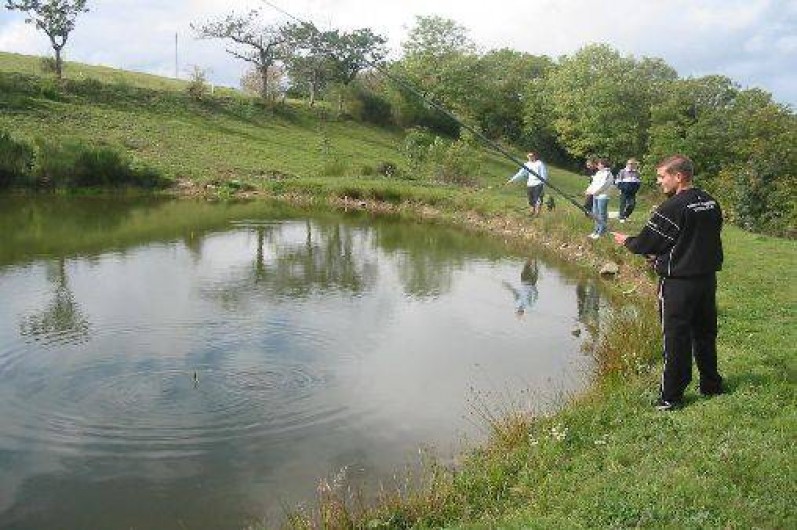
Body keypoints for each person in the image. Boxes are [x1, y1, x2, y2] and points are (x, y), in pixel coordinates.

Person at [611, 154, 724, 411]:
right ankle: (711, 385)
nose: (659, 182)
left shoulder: (671, 207)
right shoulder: (710, 201)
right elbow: (696, 238)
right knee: (705, 334)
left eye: (662, 176)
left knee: (676, 338)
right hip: (706, 281)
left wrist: (627, 241)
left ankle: (670, 397)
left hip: (678, 285)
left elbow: (647, 243)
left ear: (679, 176)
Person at [505, 151, 548, 216]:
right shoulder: (527, 164)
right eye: (528, 156)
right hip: (530, 184)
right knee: (530, 199)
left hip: (538, 184)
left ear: (535, 156)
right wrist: (512, 180)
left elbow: (544, 175)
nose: (530, 157)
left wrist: (543, 185)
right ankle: (531, 212)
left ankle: (537, 213)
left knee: (537, 199)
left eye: (531, 156)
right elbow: (520, 173)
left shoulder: (540, 164)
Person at [584, 158, 614, 239]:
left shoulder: (608, 174)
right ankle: (595, 231)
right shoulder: (598, 173)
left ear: (603, 165)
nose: (597, 165)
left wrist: (595, 192)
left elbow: (604, 185)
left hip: (603, 197)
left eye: (599, 164)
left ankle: (601, 232)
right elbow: (593, 183)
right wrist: (588, 190)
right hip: (596, 196)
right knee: (595, 213)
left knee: (602, 215)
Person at [615, 158, 642, 222]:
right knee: (623, 204)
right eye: (630, 164)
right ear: (627, 164)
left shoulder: (637, 172)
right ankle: (621, 217)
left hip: (632, 192)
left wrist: (636, 189)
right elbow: (617, 181)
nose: (631, 165)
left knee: (632, 205)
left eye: (633, 164)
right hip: (624, 191)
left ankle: (626, 215)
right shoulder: (622, 171)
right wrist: (621, 188)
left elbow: (638, 182)